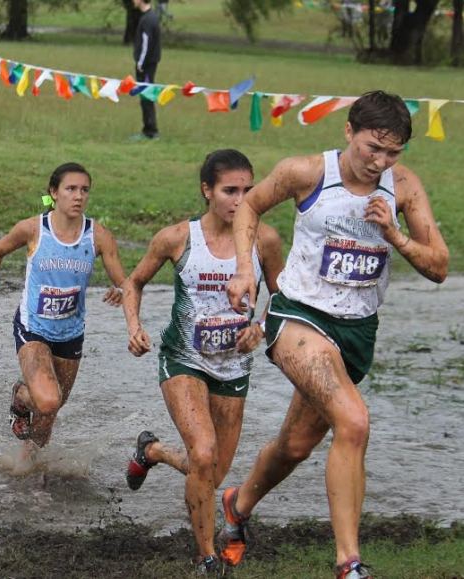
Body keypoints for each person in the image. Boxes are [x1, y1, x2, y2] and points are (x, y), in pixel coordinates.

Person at [219, 91, 449, 579]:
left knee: (296, 445)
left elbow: (440, 266)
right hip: (299, 318)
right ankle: (349, 564)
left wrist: (396, 236)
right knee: (355, 422)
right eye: (372, 148)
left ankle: (237, 505)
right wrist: (245, 270)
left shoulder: (403, 187)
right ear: (349, 131)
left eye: (392, 153)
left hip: (357, 333)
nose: (379, 162)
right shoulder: (306, 172)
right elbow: (248, 210)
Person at [121, 150, 283, 575]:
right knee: (205, 452)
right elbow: (133, 282)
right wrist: (134, 326)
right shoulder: (177, 238)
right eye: (231, 190)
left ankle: (151, 451)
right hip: (183, 361)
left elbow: (284, 297)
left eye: (249, 190)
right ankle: (206, 556)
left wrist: (261, 328)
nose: (240, 199)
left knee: (208, 471)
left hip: (234, 369)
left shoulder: (265, 240)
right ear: (207, 190)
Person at [0, 163, 125, 453]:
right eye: (71, 189)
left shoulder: (98, 235)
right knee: (47, 400)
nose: (78, 196)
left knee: (51, 410)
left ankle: (28, 465)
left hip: (70, 334)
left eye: (84, 190)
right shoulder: (33, 229)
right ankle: (20, 396)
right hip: (33, 329)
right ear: (54, 193)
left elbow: (124, 282)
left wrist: (120, 290)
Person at [131, 0, 161, 140]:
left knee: (146, 96)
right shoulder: (150, 17)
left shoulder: (147, 19)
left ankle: (150, 131)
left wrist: (140, 63)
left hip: (146, 65)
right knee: (145, 96)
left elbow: (146, 43)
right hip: (148, 64)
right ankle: (148, 129)